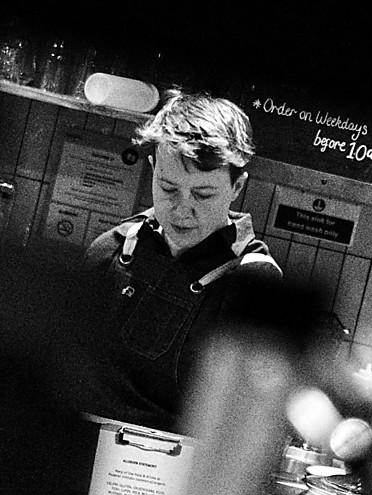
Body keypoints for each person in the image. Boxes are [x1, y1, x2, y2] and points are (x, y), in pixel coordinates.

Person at [82, 93, 281, 433]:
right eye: (169, 188)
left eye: (203, 194)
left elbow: (246, 429)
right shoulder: (111, 250)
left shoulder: (255, 284)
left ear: (236, 187)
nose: (182, 208)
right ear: (153, 169)